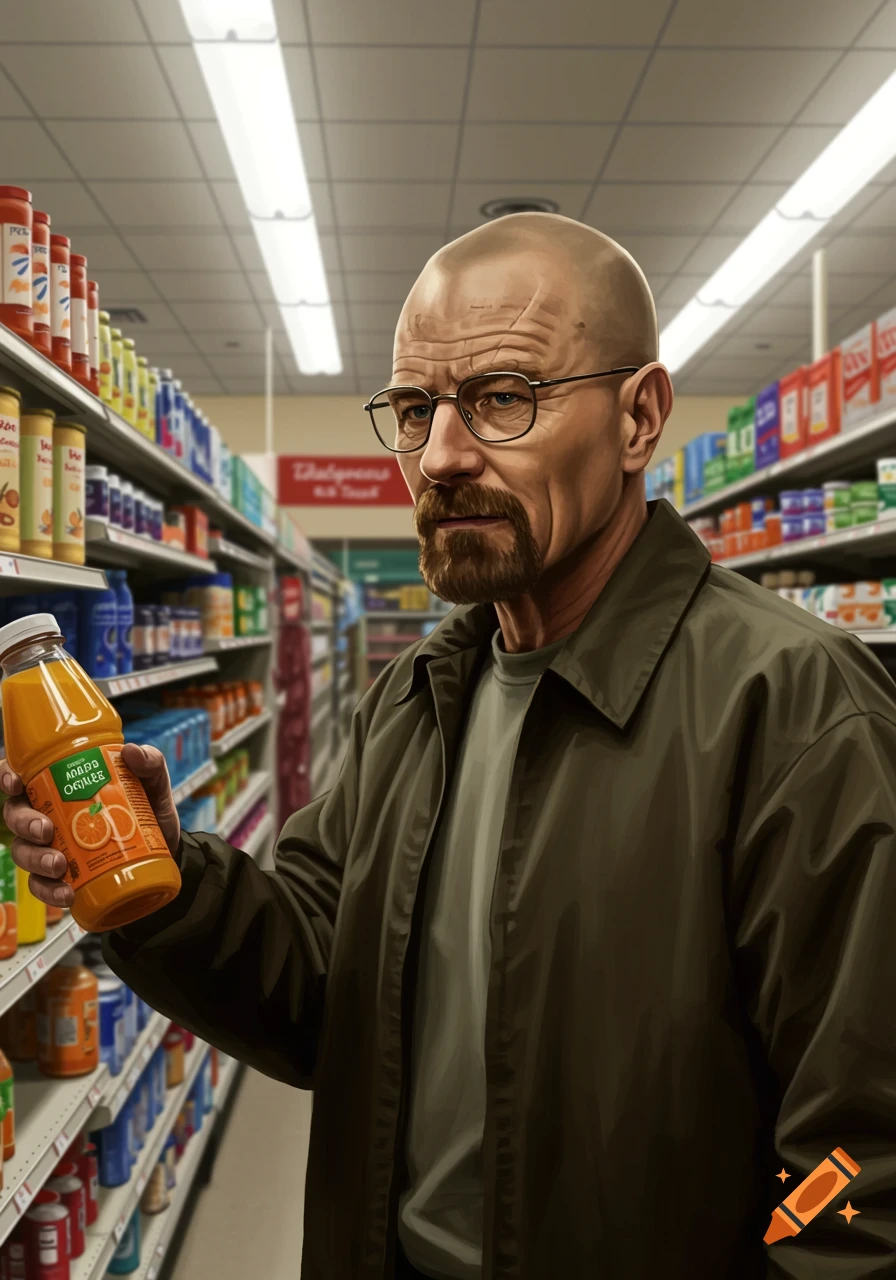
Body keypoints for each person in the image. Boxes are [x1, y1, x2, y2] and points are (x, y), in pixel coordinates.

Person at [4, 212, 896, 1280]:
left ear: (638, 417)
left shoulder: (796, 708)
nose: (440, 454)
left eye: (503, 398)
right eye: (416, 407)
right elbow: (312, 987)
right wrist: (165, 883)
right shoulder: (412, 702)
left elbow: (858, 1159)